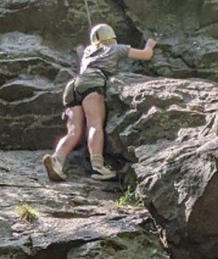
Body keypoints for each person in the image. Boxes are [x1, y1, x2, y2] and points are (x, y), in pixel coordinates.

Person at [44, 23, 156, 182]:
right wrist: (150, 44)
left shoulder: (88, 52)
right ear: (111, 37)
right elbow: (146, 55)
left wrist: (82, 50)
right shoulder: (116, 48)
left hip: (73, 85)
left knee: (74, 130)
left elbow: (81, 51)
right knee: (94, 123)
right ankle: (99, 166)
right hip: (93, 81)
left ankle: (57, 160)